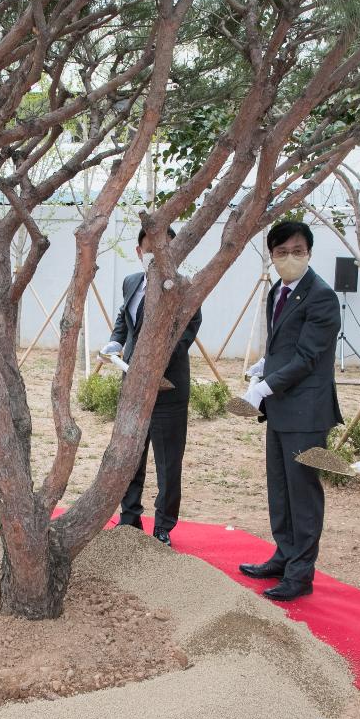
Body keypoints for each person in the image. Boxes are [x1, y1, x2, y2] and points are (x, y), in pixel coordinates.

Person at [232, 220, 343, 601]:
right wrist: (263, 365)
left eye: (297, 251)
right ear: (272, 256)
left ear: (309, 252)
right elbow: (283, 345)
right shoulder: (278, 289)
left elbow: (308, 357)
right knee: (279, 488)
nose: (289, 258)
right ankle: (283, 554)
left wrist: (263, 387)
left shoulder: (322, 297)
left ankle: (301, 573)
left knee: (303, 492)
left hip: (307, 411)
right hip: (280, 406)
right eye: (281, 252)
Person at [100, 227, 201, 548]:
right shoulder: (132, 281)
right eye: (152, 249)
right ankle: (129, 520)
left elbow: (188, 330)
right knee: (130, 456)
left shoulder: (185, 289)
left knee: (168, 463)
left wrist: (153, 363)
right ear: (140, 252)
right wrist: (115, 341)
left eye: (167, 249)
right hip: (132, 386)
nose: (159, 255)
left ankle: (163, 527)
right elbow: (124, 317)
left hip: (168, 388)